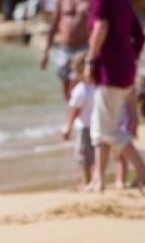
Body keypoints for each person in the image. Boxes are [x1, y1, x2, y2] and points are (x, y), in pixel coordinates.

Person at [82, 0, 145, 192]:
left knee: (105, 130)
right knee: (103, 126)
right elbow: (139, 37)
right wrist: (130, 57)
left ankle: (142, 169)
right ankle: (99, 180)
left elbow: (101, 27)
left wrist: (89, 60)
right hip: (125, 68)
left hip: (110, 70)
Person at [39, 0, 90, 101]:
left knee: (83, 85)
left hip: (83, 49)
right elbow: (53, 25)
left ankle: (80, 113)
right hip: (65, 49)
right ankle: (70, 111)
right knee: (66, 87)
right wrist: (45, 52)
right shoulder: (62, 1)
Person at [61, 51, 95, 188]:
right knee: (95, 156)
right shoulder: (99, 86)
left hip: (84, 127)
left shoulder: (81, 90)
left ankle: (86, 180)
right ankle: (95, 179)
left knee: (84, 156)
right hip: (98, 126)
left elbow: (74, 111)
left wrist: (67, 127)